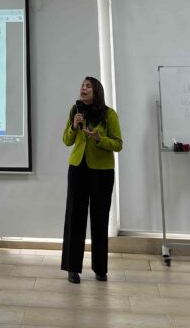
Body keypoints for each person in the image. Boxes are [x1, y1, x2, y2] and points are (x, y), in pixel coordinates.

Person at [61, 76, 122, 284]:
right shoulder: (75, 111)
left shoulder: (109, 114)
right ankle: (72, 268)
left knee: (100, 219)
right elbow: (66, 140)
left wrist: (99, 139)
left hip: (102, 172)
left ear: (96, 91)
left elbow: (118, 144)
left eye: (88, 86)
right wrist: (74, 126)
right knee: (75, 217)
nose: (83, 88)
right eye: (82, 85)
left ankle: (100, 268)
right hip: (78, 168)